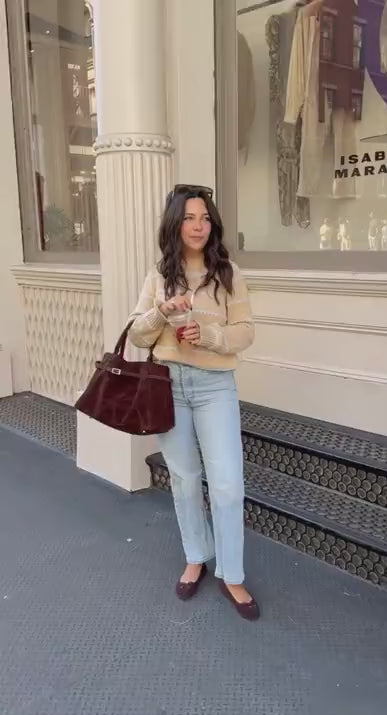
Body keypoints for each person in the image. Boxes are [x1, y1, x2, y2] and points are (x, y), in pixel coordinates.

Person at [128, 184, 259, 621]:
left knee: (227, 484)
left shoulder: (229, 273)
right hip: (169, 386)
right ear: (175, 224)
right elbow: (137, 333)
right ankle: (196, 556)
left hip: (214, 386)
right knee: (184, 480)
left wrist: (210, 335)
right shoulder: (159, 274)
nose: (198, 226)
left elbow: (245, 330)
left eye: (204, 218)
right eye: (188, 218)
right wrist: (162, 312)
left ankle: (232, 574)